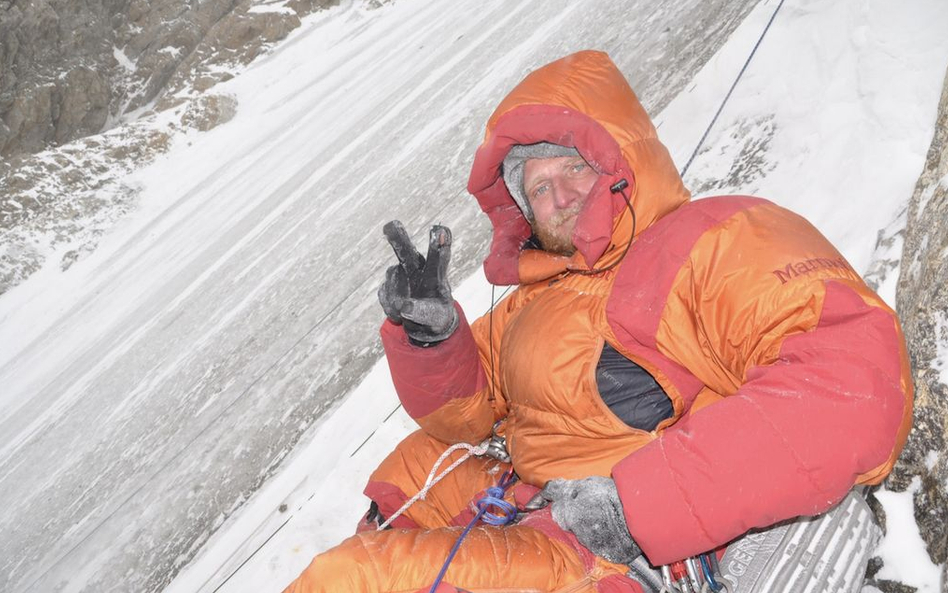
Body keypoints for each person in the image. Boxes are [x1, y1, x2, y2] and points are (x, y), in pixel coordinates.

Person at [283, 50, 913, 593]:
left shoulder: (714, 238)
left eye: (572, 168)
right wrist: (434, 341)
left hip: (618, 551)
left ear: (616, 161)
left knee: (350, 579)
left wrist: (638, 507)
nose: (557, 196)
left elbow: (854, 383)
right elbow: (466, 418)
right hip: (545, 498)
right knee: (414, 468)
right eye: (536, 188)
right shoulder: (541, 292)